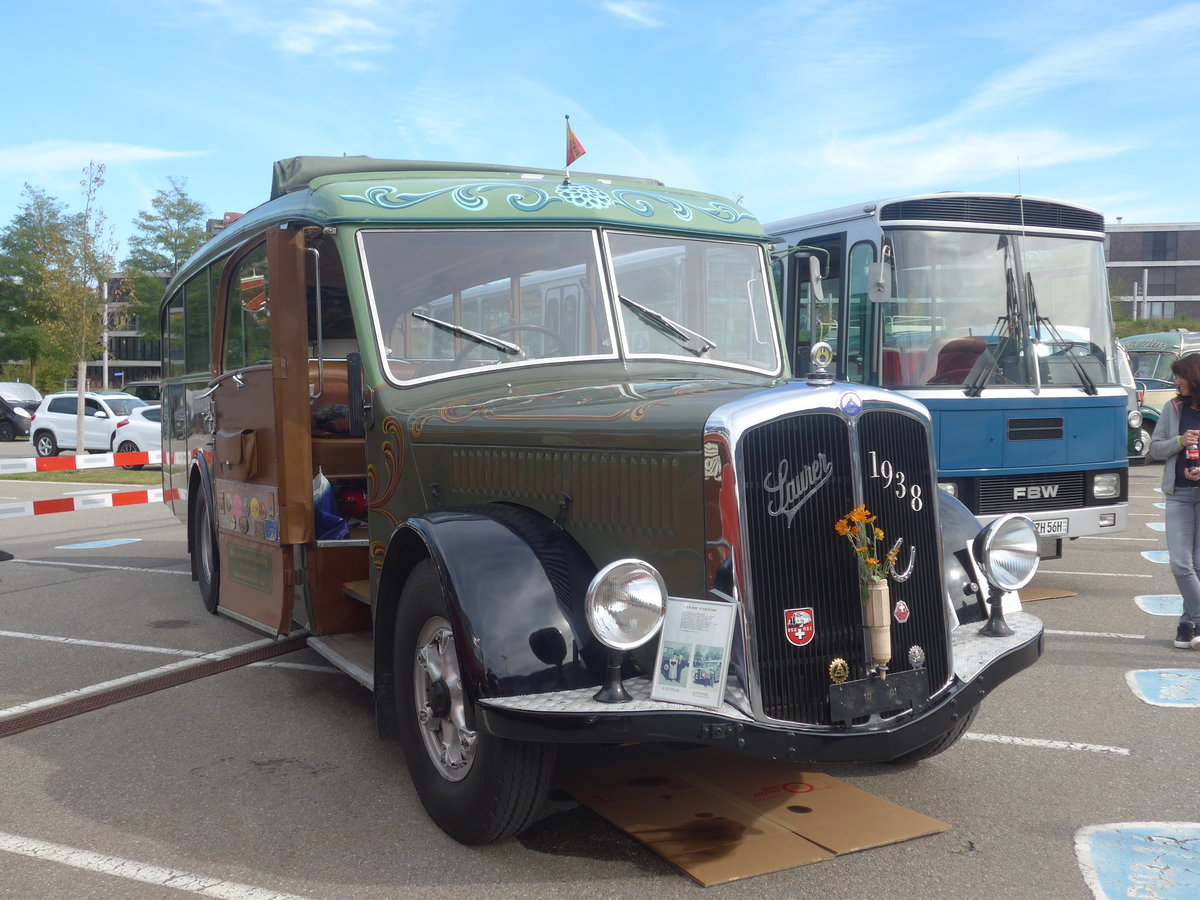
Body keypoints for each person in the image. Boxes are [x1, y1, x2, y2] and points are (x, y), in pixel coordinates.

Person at [1149, 353, 1200, 650]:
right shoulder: (1173, 408)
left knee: (1198, 565)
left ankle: (1186, 623)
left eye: (1180, 376)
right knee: (1181, 564)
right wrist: (1179, 442)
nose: (1176, 382)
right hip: (1178, 495)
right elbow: (1155, 449)